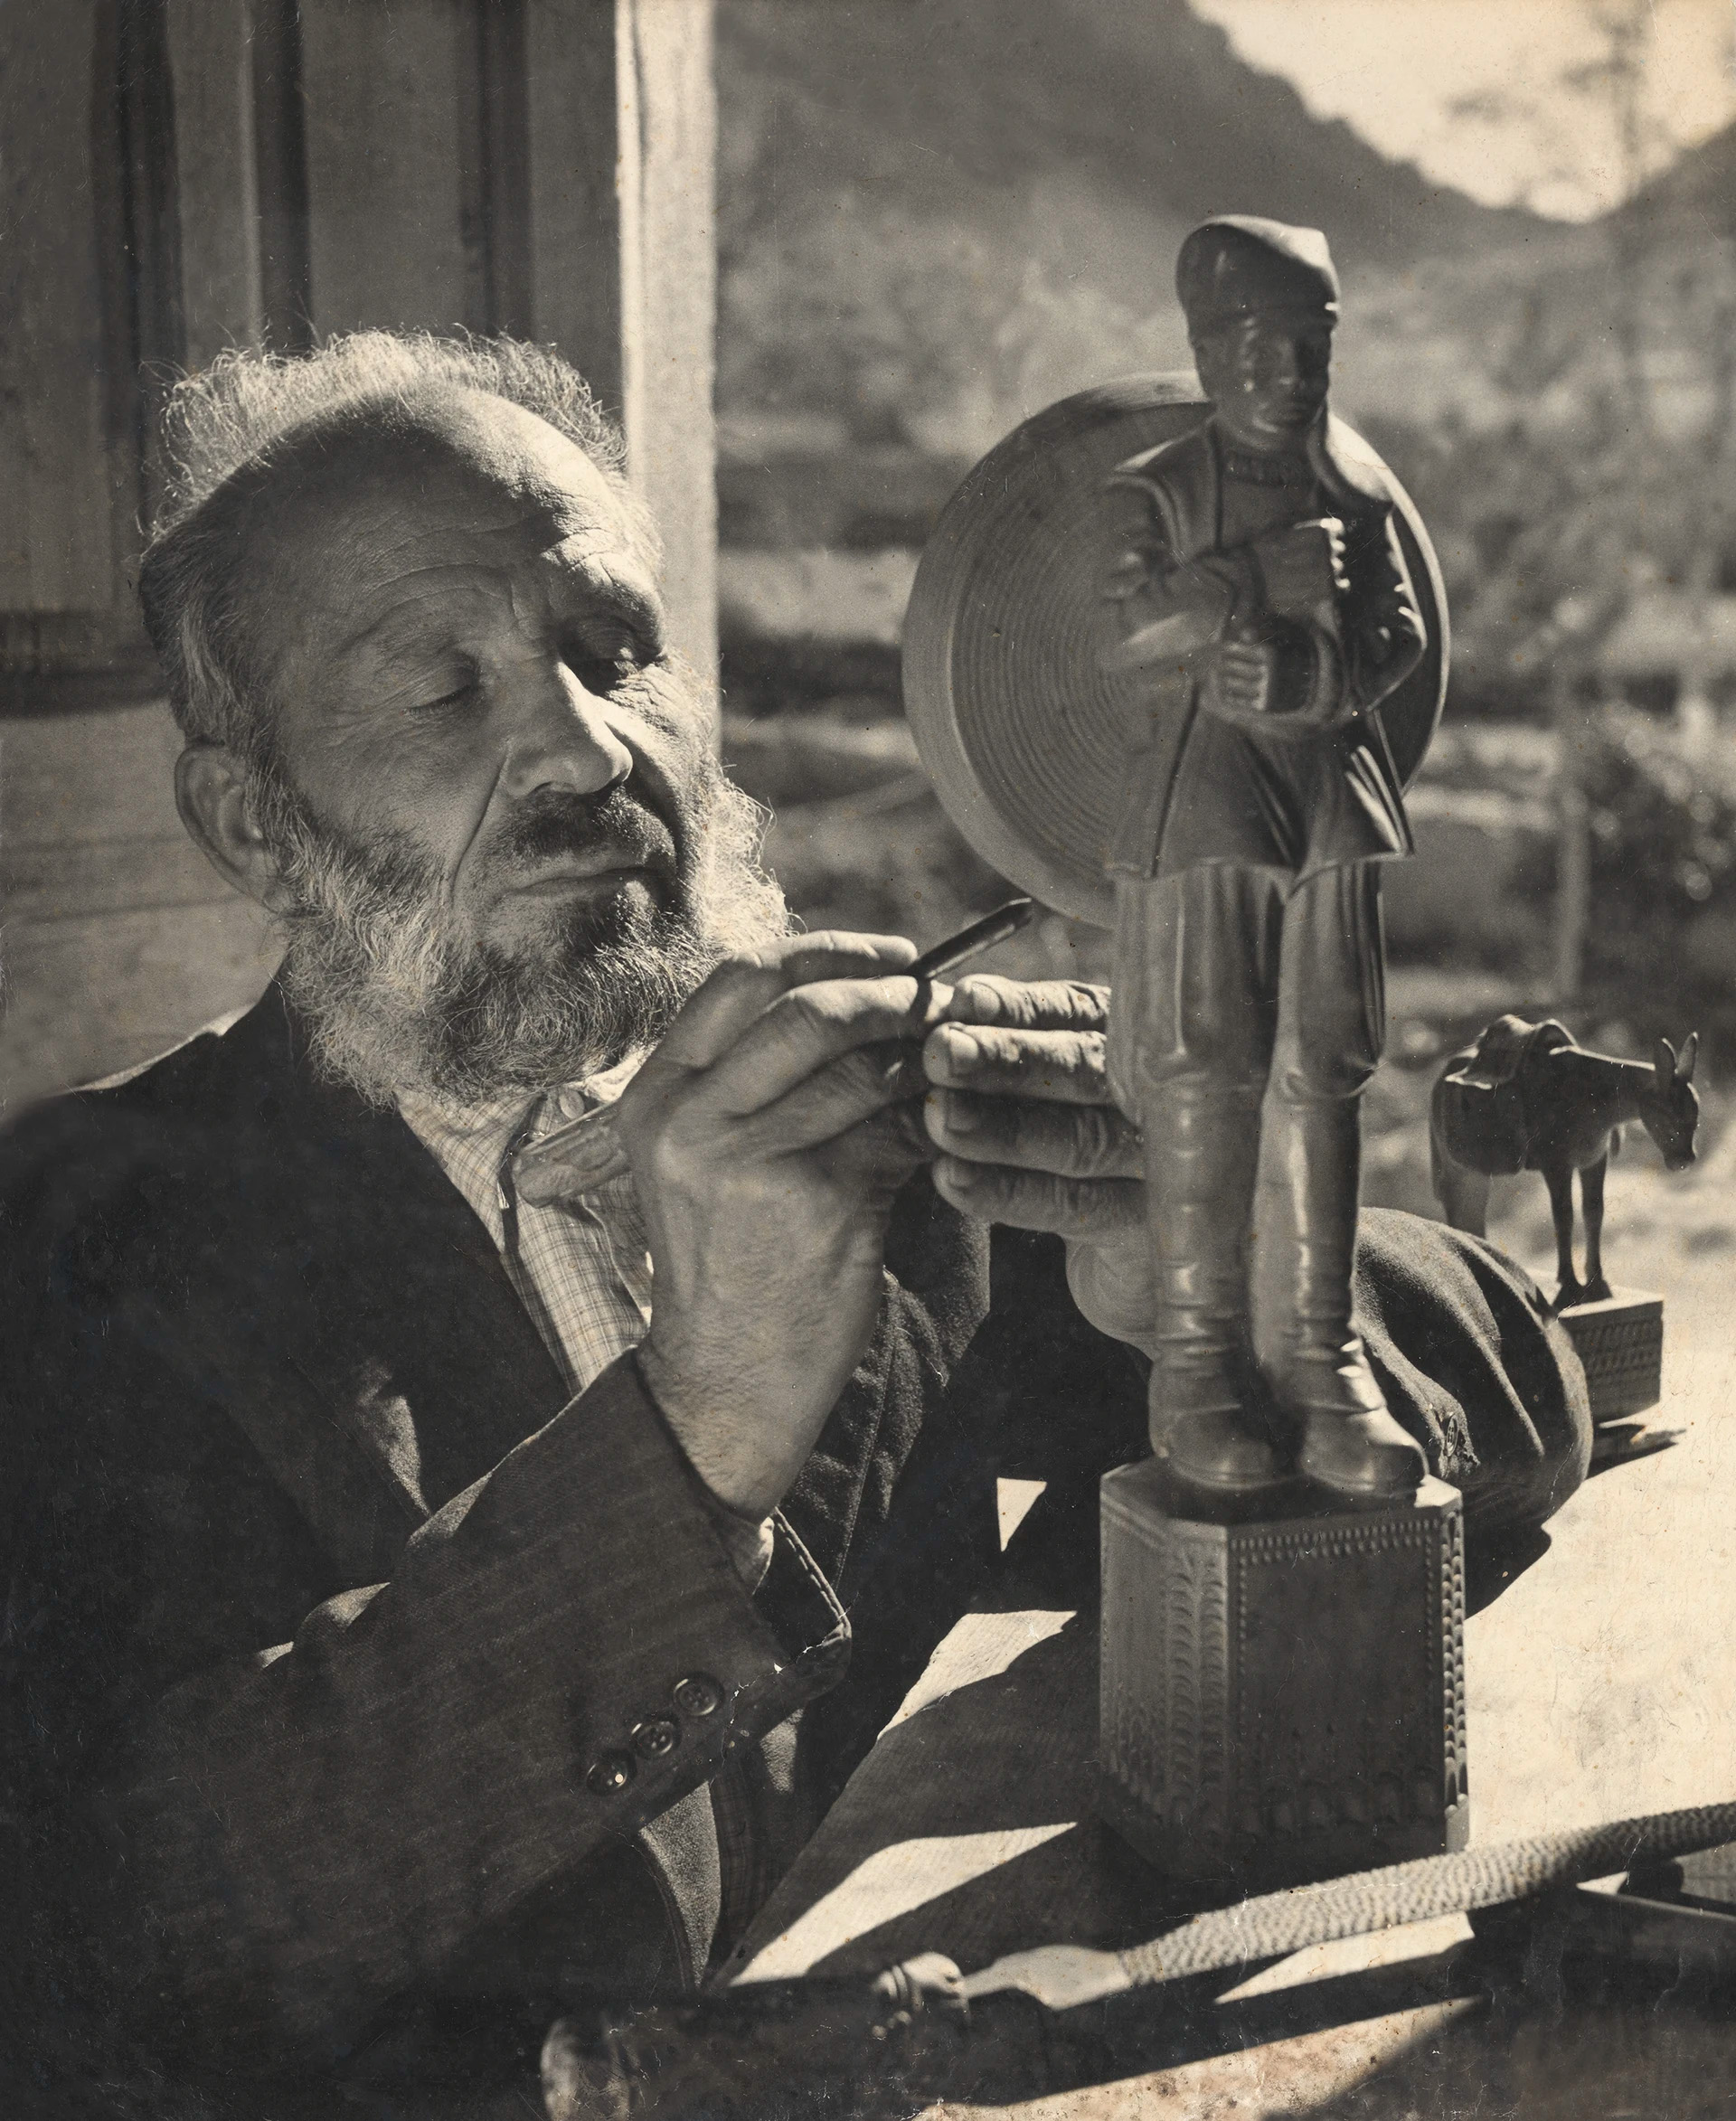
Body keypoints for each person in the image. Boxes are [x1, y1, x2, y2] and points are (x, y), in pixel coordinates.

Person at [0, 332, 1589, 2118]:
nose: (588, 751)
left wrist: (1219, 1294)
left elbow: (1513, 1366)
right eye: (443, 697)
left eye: (615, 652)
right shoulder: (89, 1258)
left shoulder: (875, 1127)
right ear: (257, 824)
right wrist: (699, 1429)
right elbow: (133, 1930)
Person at [1098, 216, 1439, 1502]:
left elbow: (1397, 635)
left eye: (1314, 344)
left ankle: (1321, 1355)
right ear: (1209, 348)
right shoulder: (1159, 488)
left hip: (1331, 797)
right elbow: (1115, 639)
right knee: (1206, 1070)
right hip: (1204, 804)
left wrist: (1314, 663)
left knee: (1323, 1066)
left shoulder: (1354, 481)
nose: (1293, 370)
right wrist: (1244, 582)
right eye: (1263, 346)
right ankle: (1195, 1368)